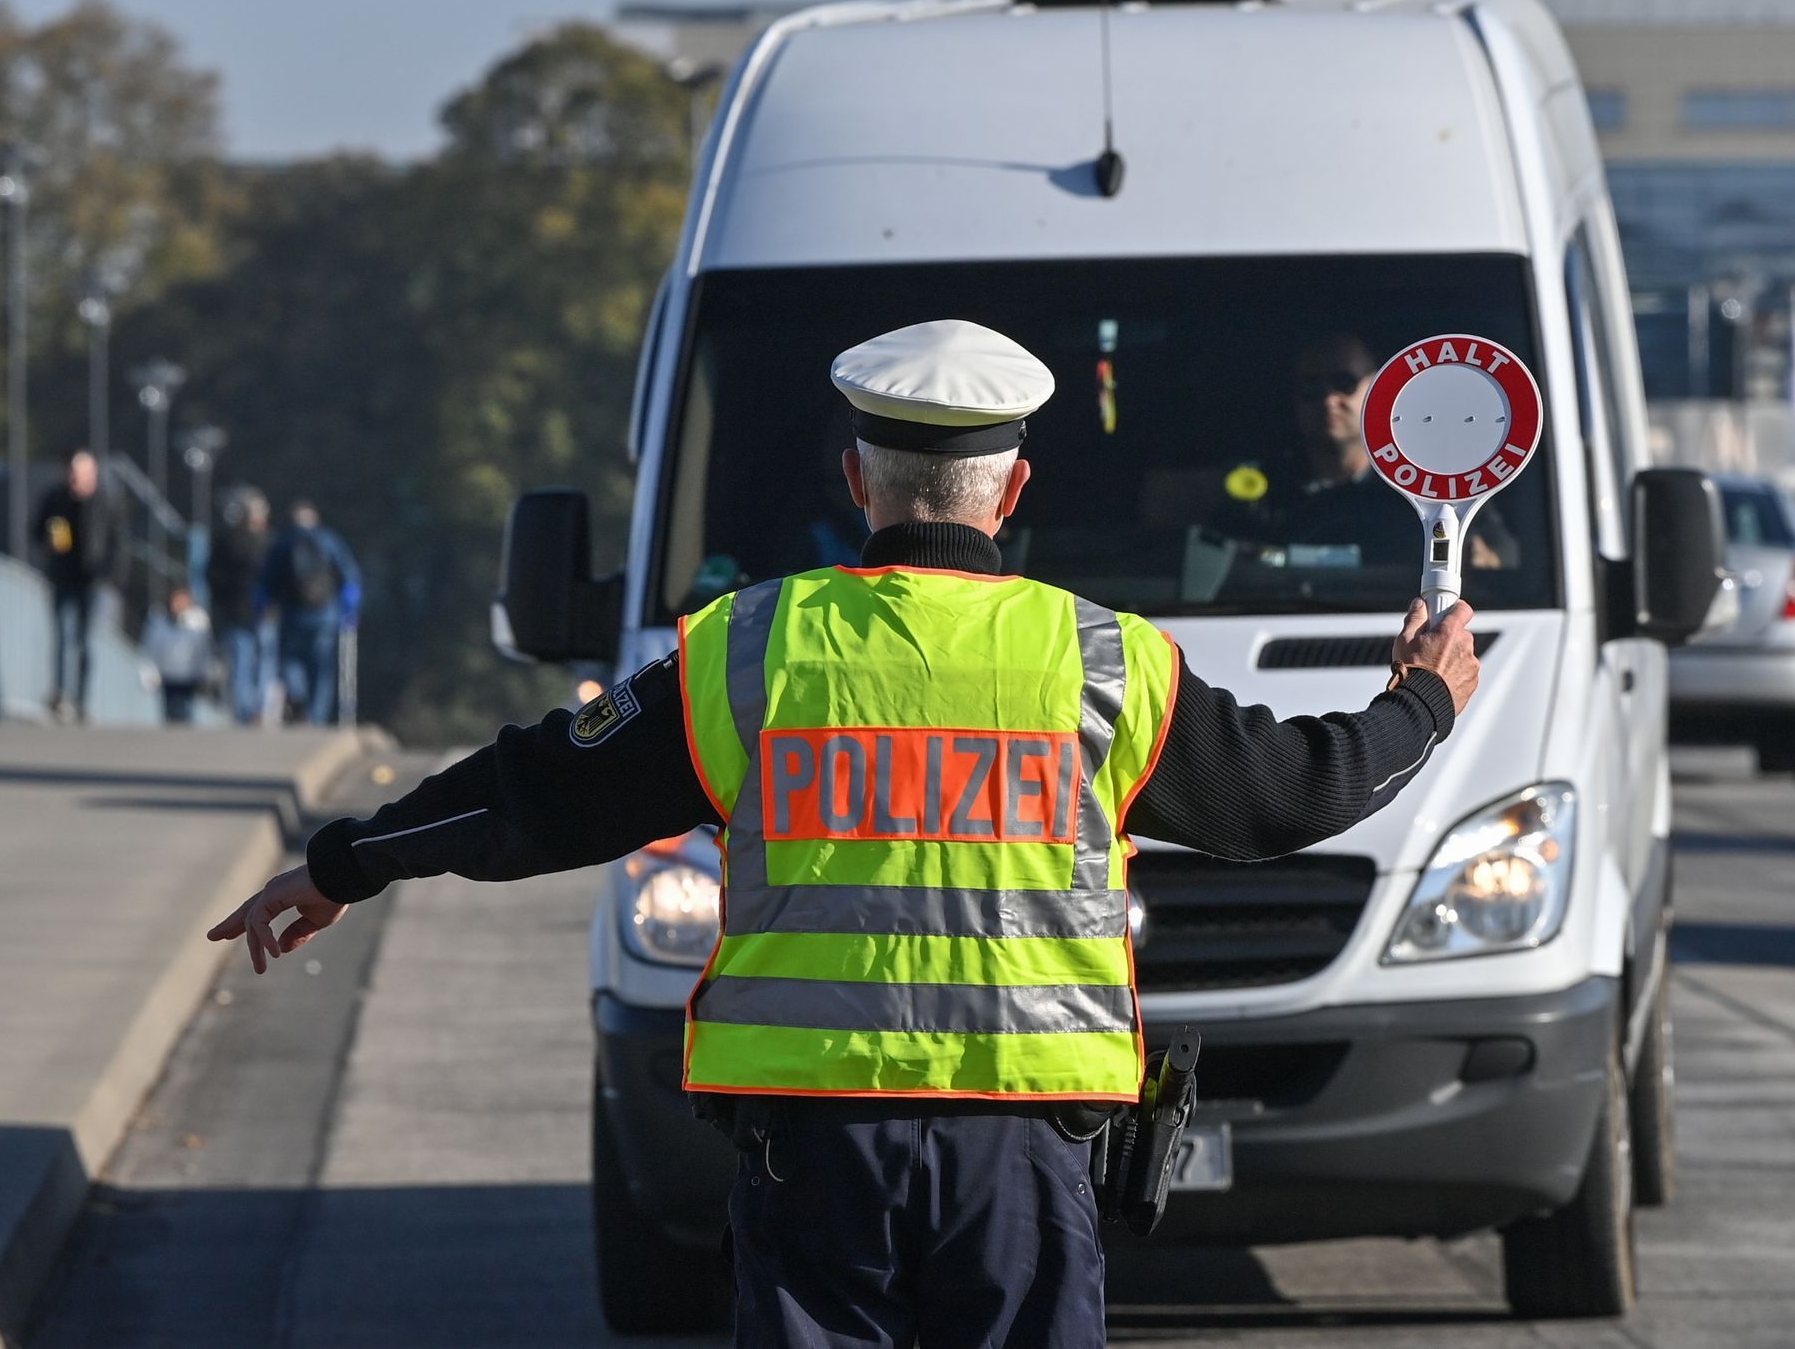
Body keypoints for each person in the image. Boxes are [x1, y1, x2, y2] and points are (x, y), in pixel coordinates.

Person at [209, 320, 1480, 1349]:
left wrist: (343, 864)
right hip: (1020, 1152)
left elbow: (534, 792)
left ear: (857, 481)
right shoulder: (1102, 660)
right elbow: (1291, 797)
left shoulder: (746, 649)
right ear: (1014, 489)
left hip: (814, 1151)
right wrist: (1420, 698)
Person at [1272, 333, 1512, 568]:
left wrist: (1483, 558)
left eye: (1345, 383)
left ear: (1377, 389)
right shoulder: (1267, 492)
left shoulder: (1431, 487)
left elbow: (1508, 558)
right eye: (1311, 387)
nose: (1329, 399)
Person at [32, 449, 119, 722]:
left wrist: (111, 576)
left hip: (91, 580)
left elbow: (117, 542)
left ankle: (81, 700)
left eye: (80, 473)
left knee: (84, 641)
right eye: (72, 472)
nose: (74, 478)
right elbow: (35, 530)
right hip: (61, 576)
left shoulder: (106, 502)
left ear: (92, 474)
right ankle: (59, 694)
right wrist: (49, 538)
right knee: (60, 637)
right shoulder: (56, 499)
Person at [257, 500, 360, 725]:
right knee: (321, 667)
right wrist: (350, 606)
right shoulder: (329, 540)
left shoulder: (283, 543)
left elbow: (267, 581)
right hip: (325, 614)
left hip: (292, 614)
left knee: (290, 661)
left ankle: (298, 698)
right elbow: (348, 575)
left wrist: (263, 605)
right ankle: (317, 716)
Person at [207, 489, 272, 723]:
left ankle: (248, 711)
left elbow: (211, 576)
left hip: (239, 612)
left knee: (244, 664)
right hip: (254, 613)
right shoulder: (264, 543)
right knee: (256, 663)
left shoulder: (227, 540)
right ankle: (253, 710)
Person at [142, 586, 216, 723]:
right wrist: (150, 669)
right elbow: (152, 647)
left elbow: (205, 650)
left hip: (189, 677)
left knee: (185, 712)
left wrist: (206, 671)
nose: (179, 606)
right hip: (168, 676)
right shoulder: (160, 623)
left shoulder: (198, 624)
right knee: (169, 712)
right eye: (176, 601)